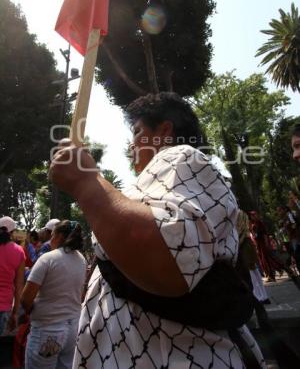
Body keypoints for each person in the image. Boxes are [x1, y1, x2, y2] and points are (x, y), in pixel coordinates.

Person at [49, 92, 266, 369]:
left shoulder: (181, 156)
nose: (131, 145)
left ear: (164, 131)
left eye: (137, 132)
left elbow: (169, 255)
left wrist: (85, 183)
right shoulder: (156, 184)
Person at [21, 220, 87, 369]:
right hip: (72, 330)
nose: (50, 238)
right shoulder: (82, 260)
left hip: (47, 331)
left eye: (53, 234)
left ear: (59, 236)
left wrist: (33, 310)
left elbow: (25, 299)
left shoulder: (48, 259)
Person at [0, 216, 25, 336]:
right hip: (4, 305)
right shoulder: (19, 251)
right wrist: (15, 313)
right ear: (12, 232)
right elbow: (19, 285)